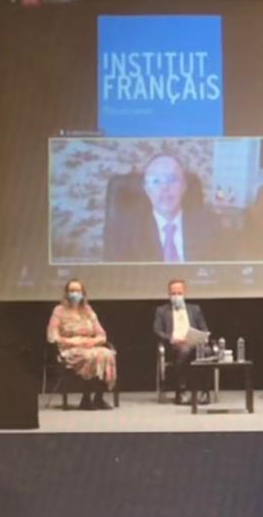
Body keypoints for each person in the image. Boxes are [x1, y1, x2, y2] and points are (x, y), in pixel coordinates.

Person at [103, 153, 224, 263]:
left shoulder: (211, 226)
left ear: (184, 186)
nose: (165, 187)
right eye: (156, 181)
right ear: (147, 189)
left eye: (172, 179)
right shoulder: (127, 232)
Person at [45, 278, 117, 410]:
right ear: (66, 293)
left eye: (78, 291)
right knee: (90, 356)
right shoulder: (59, 311)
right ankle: (86, 398)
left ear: (83, 293)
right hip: (69, 349)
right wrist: (71, 341)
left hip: (90, 346)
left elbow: (102, 334)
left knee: (107, 354)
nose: (75, 293)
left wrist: (93, 341)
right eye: (72, 290)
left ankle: (99, 397)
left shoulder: (88, 310)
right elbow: (52, 335)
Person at [153, 279, 211, 404]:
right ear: (169, 294)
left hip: (194, 344)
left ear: (185, 293)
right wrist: (171, 339)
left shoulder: (195, 309)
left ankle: (203, 391)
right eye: (173, 293)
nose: (176, 296)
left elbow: (204, 328)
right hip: (174, 346)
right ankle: (182, 390)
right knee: (185, 350)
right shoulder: (162, 310)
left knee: (207, 352)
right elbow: (157, 330)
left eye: (179, 293)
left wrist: (201, 337)